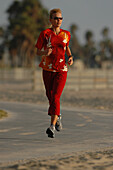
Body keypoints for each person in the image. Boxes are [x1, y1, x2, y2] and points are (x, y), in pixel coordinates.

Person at [35, 8, 73, 138]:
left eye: (60, 18)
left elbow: (66, 47)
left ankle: (51, 126)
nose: (58, 21)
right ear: (50, 20)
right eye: (56, 18)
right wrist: (45, 53)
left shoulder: (66, 34)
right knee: (50, 95)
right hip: (47, 69)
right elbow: (37, 51)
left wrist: (71, 56)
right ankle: (58, 115)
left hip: (61, 70)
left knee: (56, 96)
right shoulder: (45, 33)